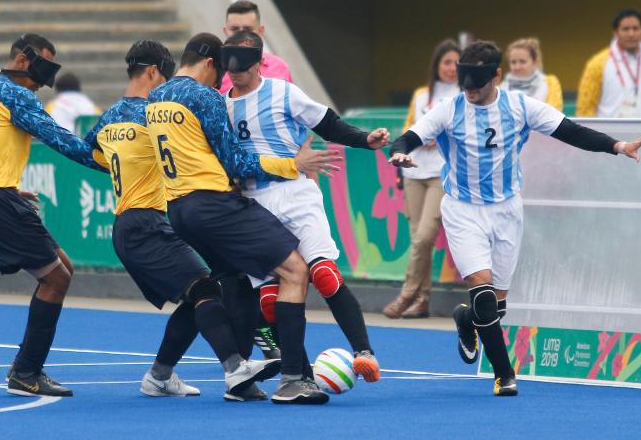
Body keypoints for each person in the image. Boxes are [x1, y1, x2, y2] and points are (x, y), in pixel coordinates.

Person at [388, 40, 641, 396]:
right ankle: (505, 375)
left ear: (497, 76)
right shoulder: (448, 109)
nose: (469, 91)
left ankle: (465, 320)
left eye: (477, 85)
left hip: (507, 211)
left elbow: (571, 131)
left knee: (495, 307)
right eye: (464, 85)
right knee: (482, 292)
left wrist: (617, 146)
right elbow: (407, 138)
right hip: (463, 210)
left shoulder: (520, 107)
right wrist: (399, 154)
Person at [147, 33, 339, 405]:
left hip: (179, 209)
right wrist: (292, 165)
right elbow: (235, 161)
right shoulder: (204, 97)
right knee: (295, 271)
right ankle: (293, 379)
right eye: (220, 69)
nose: (222, 79)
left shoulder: (157, 97)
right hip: (213, 205)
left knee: (234, 281)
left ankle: (239, 375)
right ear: (207, 62)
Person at [83, 40, 281, 400]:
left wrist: (127, 169)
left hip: (135, 222)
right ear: (155, 72)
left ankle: (159, 377)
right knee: (205, 289)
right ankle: (235, 367)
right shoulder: (154, 112)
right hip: (146, 222)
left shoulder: (112, 115)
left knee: (197, 294)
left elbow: (89, 151)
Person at [0, 33, 110, 397]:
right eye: (41, 69)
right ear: (21, 60)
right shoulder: (14, 95)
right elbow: (60, 139)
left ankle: (25, 366)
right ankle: (26, 372)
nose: (44, 82)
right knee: (57, 280)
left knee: (63, 268)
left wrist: (0, 183)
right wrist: (113, 166)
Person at [223, 31, 386, 382]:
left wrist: (364, 139)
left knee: (324, 275)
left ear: (258, 63)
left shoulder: (283, 92)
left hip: (296, 192)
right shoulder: (222, 105)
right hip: (254, 201)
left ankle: (364, 352)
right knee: (269, 298)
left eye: (242, 67)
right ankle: (302, 372)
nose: (235, 73)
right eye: (230, 67)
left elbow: (326, 123)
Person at [383, 39, 461, 320]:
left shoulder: (464, 95)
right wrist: (418, 137)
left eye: (456, 62)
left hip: (442, 173)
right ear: (437, 65)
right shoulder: (421, 94)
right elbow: (407, 130)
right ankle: (423, 299)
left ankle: (407, 293)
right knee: (418, 238)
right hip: (413, 171)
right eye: (446, 62)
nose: (451, 68)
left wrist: (438, 136)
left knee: (426, 235)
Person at [577, 8, 641, 118]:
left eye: (636, 28)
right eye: (625, 29)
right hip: (610, 133)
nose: (631, 34)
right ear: (615, 33)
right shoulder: (598, 63)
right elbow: (586, 107)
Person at [218, 0, 292, 95]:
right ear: (225, 31)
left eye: (248, 29)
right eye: (234, 29)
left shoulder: (280, 67)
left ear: (261, 31)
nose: (242, 35)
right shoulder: (214, 71)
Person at [501, 38, 563, 110]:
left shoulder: (549, 83)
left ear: (535, 62)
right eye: (513, 62)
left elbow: (554, 112)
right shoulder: (501, 88)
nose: (517, 67)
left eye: (522, 62)